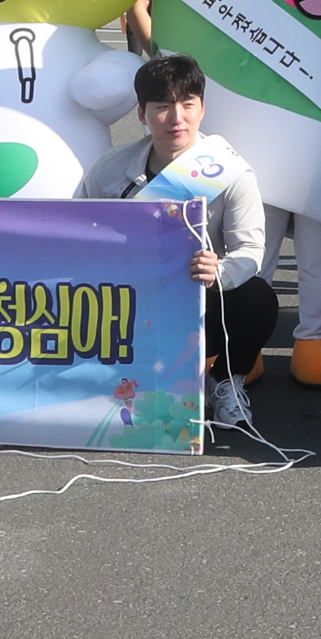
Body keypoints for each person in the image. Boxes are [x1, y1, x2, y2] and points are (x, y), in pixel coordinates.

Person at [80, 54, 283, 433]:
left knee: (258, 299)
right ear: (142, 114)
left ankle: (225, 381)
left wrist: (219, 271)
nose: (177, 118)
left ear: (202, 109)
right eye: (162, 107)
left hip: (197, 300)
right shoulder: (110, 169)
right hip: (129, 302)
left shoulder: (230, 171)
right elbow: (76, 232)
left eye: (187, 105)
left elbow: (251, 251)